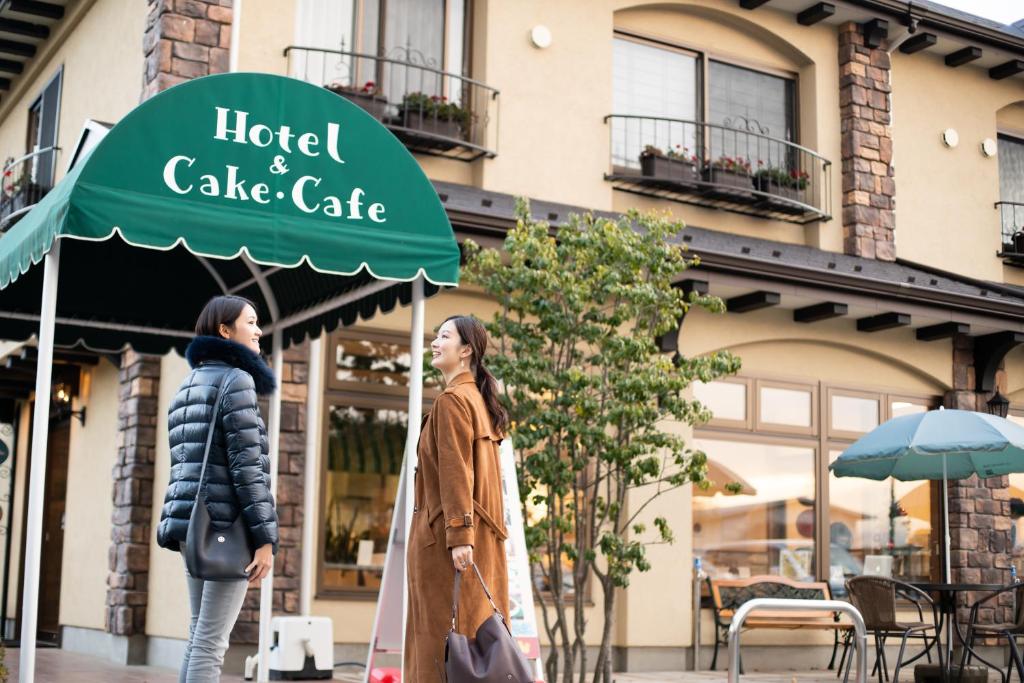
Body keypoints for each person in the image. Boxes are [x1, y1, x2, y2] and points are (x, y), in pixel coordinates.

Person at [156, 295, 279, 682]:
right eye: (251, 322)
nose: (259, 330)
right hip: (227, 527)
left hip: (193, 527)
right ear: (225, 331)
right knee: (211, 642)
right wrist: (265, 538)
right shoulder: (236, 379)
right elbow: (247, 469)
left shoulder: (186, 386)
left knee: (199, 635)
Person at [405, 315, 511, 680]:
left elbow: (456, 473)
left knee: (441, 649)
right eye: (436, 335)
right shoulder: (477, 400)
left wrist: (459, 535)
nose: (435, 342)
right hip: (479, 541)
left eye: (444, 336)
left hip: (446, 546)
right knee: (475, 646)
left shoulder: (453, 401)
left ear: (466, 350)